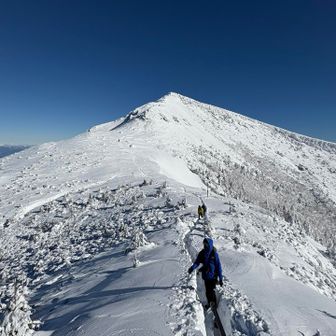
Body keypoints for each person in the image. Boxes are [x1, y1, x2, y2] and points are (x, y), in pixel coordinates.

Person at [188, 238, 223, 308]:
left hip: (213, 275)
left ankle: (214, 304)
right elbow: (197, 262)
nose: (205, 245)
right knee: (207, 291)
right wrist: (192, 268)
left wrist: (221, 278)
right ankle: (210, 303)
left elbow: (218, 266)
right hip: (206, 276)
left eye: (206, 244)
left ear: (210, 244)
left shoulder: (214, 254)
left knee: (211, 290)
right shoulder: (202, 253)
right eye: (204, 244)